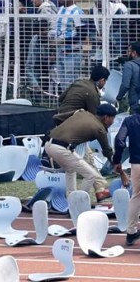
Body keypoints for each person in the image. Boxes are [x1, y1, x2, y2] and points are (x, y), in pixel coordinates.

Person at [44, 103, 116, 201]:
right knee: (91, 175)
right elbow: (107, 151)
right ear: (106, 118)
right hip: (61, 148)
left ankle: (71, 198)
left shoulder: (82, 113)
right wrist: (116, 166)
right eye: (112, 118)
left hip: (48, 144)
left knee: (70, 170)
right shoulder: (99, 128)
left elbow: (57, 118)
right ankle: (79, 201)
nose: (113, 122)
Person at [112, 107, 140, 245]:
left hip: (137, 164)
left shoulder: (130, 120)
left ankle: (131, 232)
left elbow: (119, 140)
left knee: (136, 196)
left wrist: (117, 160)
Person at [118, 42, 140, 115]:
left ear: (134, 53)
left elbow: (125, 85)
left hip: (135, 102)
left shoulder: (129, 65)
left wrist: (119, 97)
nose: (127, 53)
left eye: (128, 51)